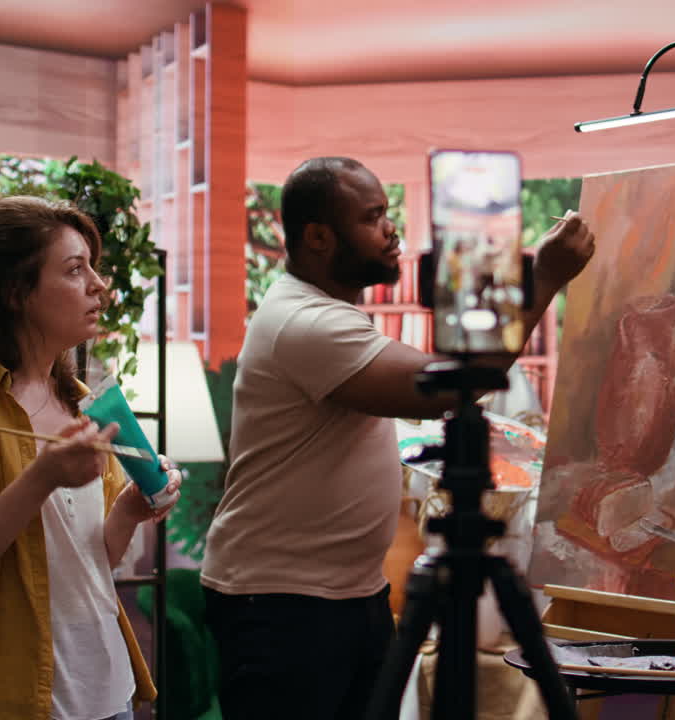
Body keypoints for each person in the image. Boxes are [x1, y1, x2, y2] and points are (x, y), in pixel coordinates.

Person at [200, 156, 595, 719]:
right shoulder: (306, 321)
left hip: (344, 594)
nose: (393, 230)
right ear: (317, 236)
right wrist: (546, 278)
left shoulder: (328, 313)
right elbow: (448, 388)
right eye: (373, 217)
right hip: (284, 603)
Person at [0, 196, 182, 720]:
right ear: (15, 292)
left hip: (108, 690)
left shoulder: (82, 401)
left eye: (93, 268)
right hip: (16, 699)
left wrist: (127, 511)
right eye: (76, 270)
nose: (99, 284)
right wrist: (43, 477)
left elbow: (89, 565)